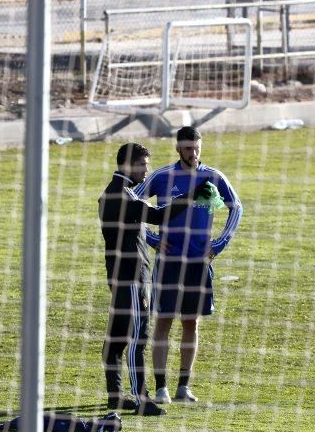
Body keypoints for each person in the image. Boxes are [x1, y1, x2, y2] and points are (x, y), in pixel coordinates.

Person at [98, 142, 211, 416]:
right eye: (143, 165)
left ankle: (115, 396)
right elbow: (160, 215)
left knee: (116, 340)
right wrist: (192, 195)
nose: (147, 171)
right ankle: (141, 399)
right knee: (138, 337)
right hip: (133, 278)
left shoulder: (106, 195)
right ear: (128, 165)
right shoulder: (125, 197)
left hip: (116, 275)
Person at [134, 126, 243, 404]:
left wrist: (218, 245)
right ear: (177, 149)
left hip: (198, 262)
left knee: (191, 323)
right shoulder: (161, 177)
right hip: (169, 263)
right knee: (164, 322)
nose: (193, 154)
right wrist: (152, 239)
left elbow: (236, 207)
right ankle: (161, 388)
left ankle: (183, 386)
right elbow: (130, 203)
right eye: (187, 149)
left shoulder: (213, 177)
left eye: (196, 148)